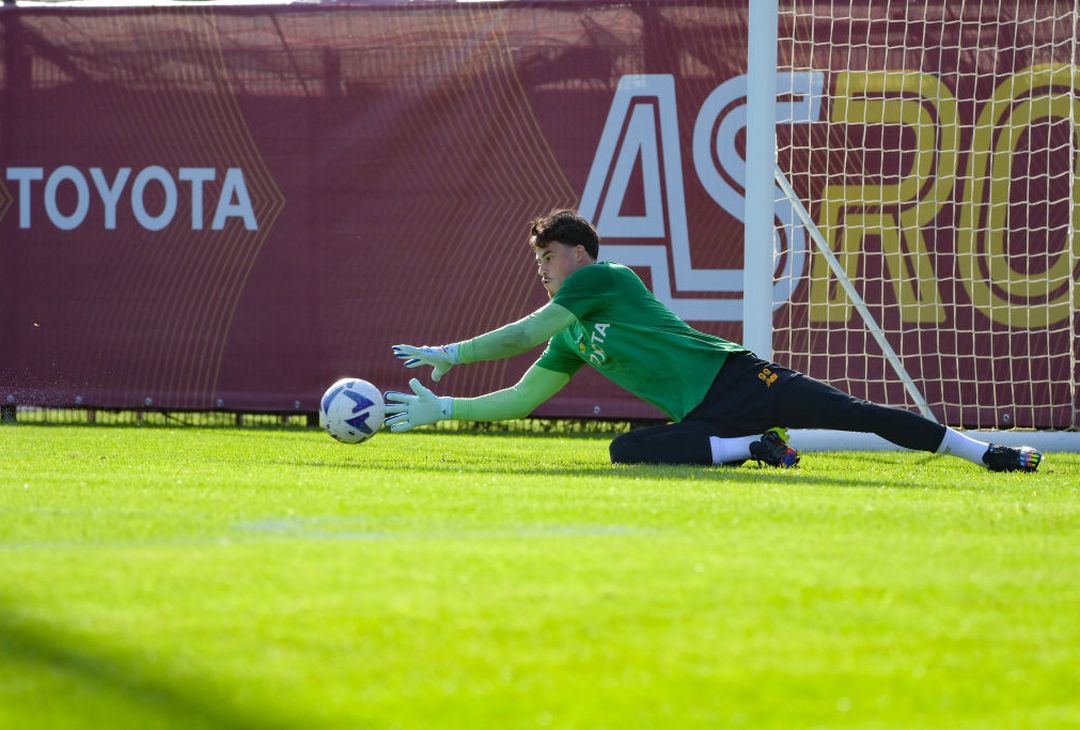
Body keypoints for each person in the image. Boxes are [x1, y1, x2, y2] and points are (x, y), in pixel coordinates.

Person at [385, 209, 1042, 473]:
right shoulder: (574, 334)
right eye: (540, 259)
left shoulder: (601, 279)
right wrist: (447, 409)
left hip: (737, 378)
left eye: (550, 255)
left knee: (855, 414)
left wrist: (453, 354)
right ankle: (753, 448)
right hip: (706, 417)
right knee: (625, 448)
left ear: (580, 254)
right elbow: (524, 397)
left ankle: (986, 454)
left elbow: (525, 333)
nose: (544, 266)